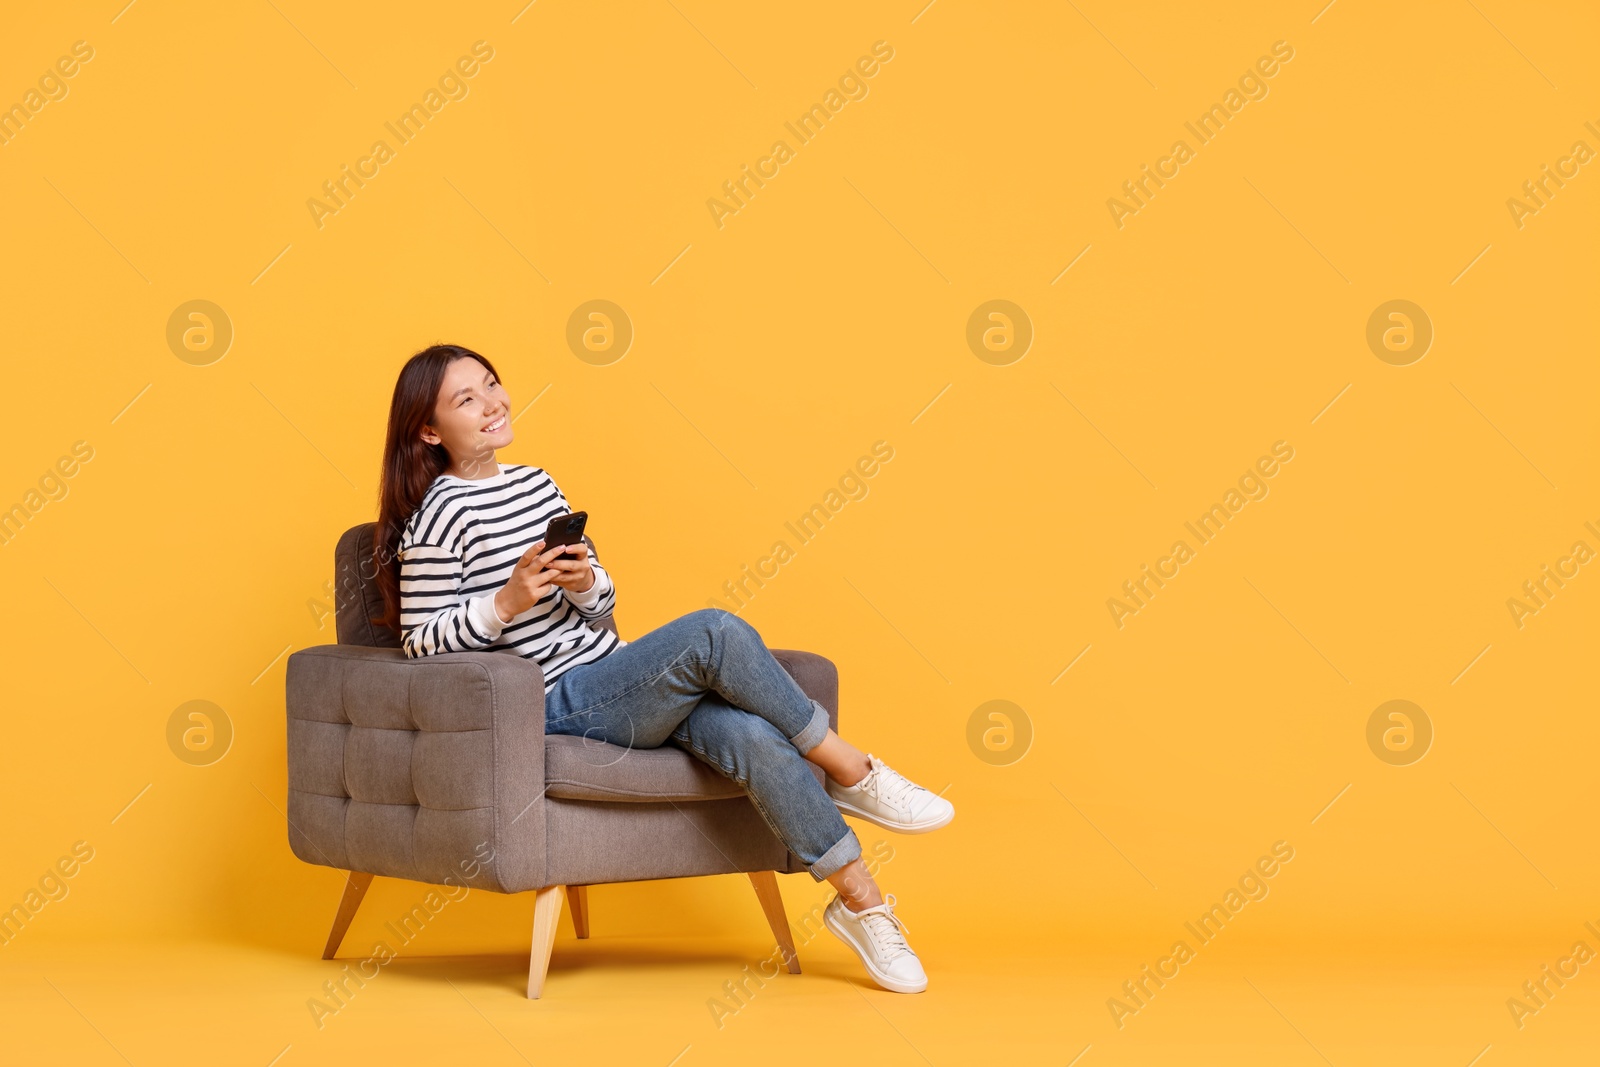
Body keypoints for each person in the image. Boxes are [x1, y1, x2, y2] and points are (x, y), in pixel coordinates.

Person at [370, 343, 954, 993]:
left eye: (492, 384)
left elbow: (603, 606)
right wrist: (505, 602)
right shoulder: (435, 518)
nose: (493, 402)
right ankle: (851, 768)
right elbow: (418, 646)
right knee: (713, 630)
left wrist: (586, 578)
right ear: (429, 430)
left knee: (757, 739)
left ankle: (861, 903)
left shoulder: (537, 483)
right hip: (551, 705)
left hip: (611, 678)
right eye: (466, 399)